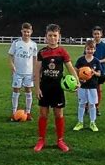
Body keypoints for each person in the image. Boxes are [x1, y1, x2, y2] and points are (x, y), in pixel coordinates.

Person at [34, 23, 80, 152]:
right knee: (43, 114)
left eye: (55, 35)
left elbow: (70, 67)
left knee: (59, 114)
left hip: (57, 89)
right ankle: (41, 140)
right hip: (45, 87)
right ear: (46, 37)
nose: (52, 38)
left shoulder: (62, 52)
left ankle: (60, 140)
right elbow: (36, 72)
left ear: (59, 37)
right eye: (50, 35)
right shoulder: (42, 52)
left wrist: (77, 81)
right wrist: (37, 88)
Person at [8, 22, 37, 121]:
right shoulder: (16, 43)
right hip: (17, 72)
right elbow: (10, 55)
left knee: (28, 91)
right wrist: (12, 65)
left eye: (28, 32)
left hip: (29, 72)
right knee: (16, 90)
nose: (26, 34)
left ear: (31, 32)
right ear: (21, 31)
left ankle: (28, 113)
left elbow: (34, 58)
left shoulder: (33, 44)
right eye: (24, 32)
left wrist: (35, 71)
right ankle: (14, 113)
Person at [73, 40, 101, 132]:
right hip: (82, 86)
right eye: (88, 49)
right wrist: (79, 79)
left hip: (92, 86)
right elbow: (75, 70)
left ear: (94, 50)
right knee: (81, 104)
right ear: (85, 49)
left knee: (92, 105)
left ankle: (92, 122)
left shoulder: (96, 61)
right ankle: (80, 122)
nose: (90, 51)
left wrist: (94, 72)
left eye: (92, 49)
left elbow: (99, 74)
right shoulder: (81, 60)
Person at [91, 26, 105, 116]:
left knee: (98, 89)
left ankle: (96, 107)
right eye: (95, 34)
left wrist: (98, 61)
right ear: (92, 35)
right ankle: (88, 106)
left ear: (101, 35)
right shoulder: (90, 45)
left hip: (101, 70)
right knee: (89, 89)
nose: (96, 35)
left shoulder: (104, 46)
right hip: (90, 71)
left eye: (98, 34)